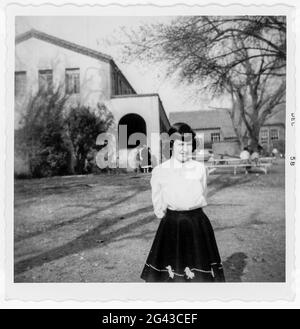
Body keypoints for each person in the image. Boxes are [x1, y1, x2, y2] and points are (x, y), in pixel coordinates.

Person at [140, 123, 225, 282]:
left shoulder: (200, 168)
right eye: (180, 144)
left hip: (197, 223)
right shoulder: (161, 170)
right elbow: (157, 198)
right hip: (172, 224)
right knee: (173, 266)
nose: (184, 148)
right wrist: (163, 215)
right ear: (172, 145)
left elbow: (202, 191)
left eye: (187, 144)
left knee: (198, 265)